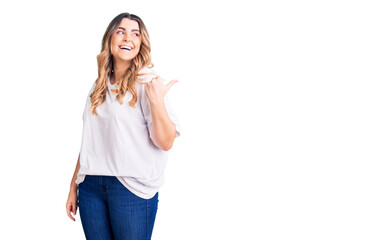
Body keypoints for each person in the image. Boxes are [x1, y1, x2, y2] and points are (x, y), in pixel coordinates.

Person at [65, 12, 181, 240]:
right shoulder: (97, 85)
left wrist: (157, 100)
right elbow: (90, 141)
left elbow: (165, 142)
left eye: (135, 33)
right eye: (121, 31)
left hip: (130, 189)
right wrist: (73, 186)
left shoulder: (148, 82)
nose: (128, 38)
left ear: (141, 42)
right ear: (110, 38)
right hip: (90, 187)